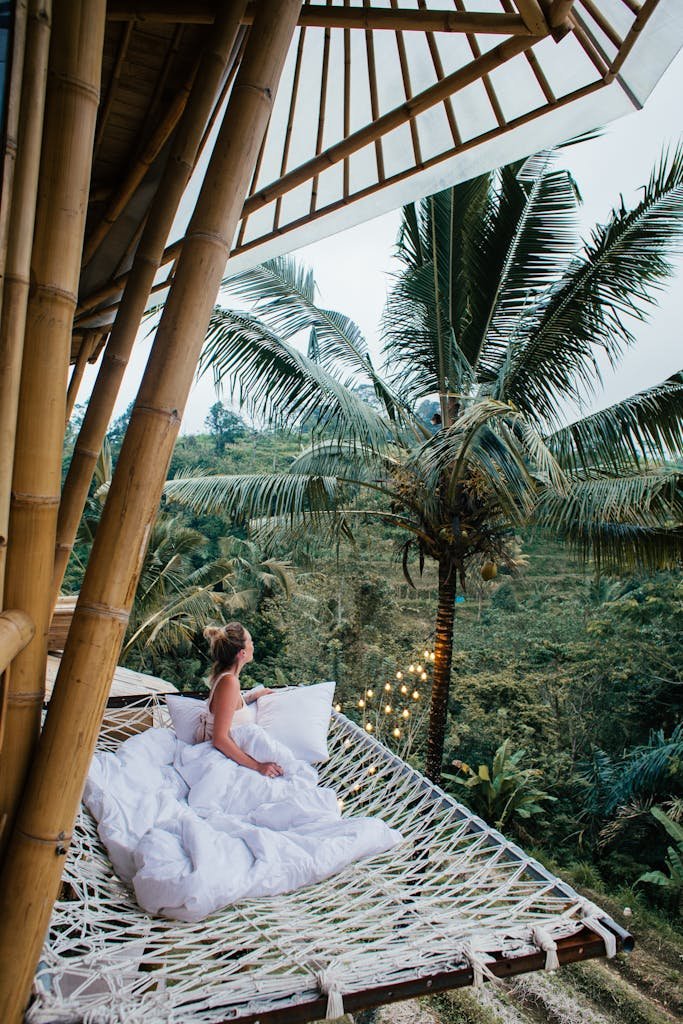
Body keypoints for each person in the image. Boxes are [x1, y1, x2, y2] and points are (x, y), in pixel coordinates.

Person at [196, 621, 283, 778]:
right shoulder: (229, 682)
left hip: (225, 755)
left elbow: (229, 707)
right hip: (218, 759)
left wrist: (252, 696)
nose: (253, 644)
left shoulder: (226, 677)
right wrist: (257, 766)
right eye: (250, 641)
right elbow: (220, 739)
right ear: (242, 653)